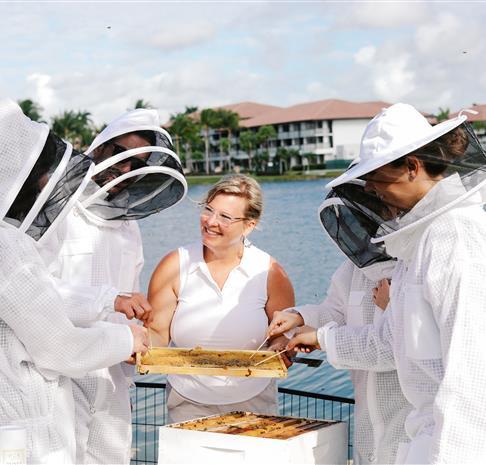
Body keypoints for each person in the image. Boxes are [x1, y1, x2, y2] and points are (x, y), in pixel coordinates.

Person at [320, 103, 486, 464]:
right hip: (427, 440)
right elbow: (392, 339)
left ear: (412, 166)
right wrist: (321, 336)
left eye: (376, 177)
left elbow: (471, 372)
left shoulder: (455, 234)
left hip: (455, 447)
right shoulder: (423, 239)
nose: (371, 189)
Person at [0, 98, 149, 464]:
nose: (46, 182)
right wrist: (127, 338)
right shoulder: (8, 246)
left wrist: (110, 301)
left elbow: (37, 299)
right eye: (41, 171)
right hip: (26, 427)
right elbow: (59, 346)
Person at [39, 108, 187, 464]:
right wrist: (110, 300)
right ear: (100, 147)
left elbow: (128, 301)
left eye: (136, 163)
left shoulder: (129, 227)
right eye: (119, 154)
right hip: (59, 374)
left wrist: (134, 343)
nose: (124, 168)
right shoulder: (55, 210)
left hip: (112, 376)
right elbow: (35, 293)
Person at [268, 189, 412, 465]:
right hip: (366, 415)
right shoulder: (352, 268)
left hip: (408, 415)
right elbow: (335, 312)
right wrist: (299, 317)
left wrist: (321, 338)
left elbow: (389, 346)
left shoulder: (414, 266)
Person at [148, 174, 295, 423]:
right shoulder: (174, 265)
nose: (211, 221)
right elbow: (156, 334)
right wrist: (131, 343)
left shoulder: (270, 272)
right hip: (187, 401)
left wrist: (282, 346)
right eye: (208, 210)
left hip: (255, 400)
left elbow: (283, 333)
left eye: (225, 217)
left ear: (249, 225)